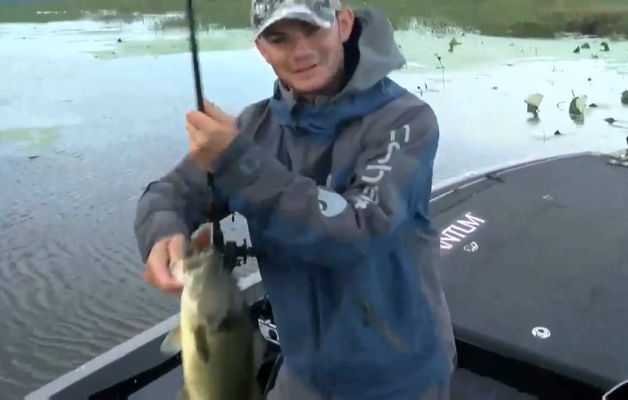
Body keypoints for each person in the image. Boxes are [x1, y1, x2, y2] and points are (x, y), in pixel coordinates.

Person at [134, 0, 456, 398]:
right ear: (261, 48)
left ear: (343, 24)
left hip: (398, 378)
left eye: (312, 29)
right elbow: (169, 192)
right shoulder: (252, 130)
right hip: (302, 377)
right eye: (280, 38)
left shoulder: (405, 122)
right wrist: (162, 231)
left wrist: (240, 164)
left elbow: (359, 231)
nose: (300, 51)